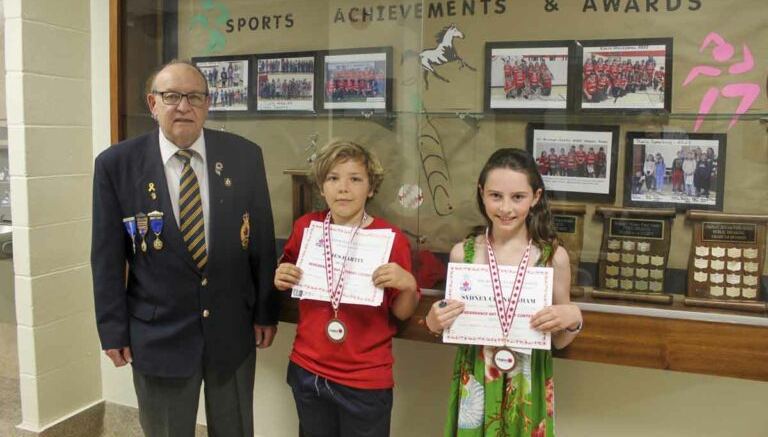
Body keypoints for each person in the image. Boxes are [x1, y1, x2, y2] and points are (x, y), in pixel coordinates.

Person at [91, 60, 278, 437]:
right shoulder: (117, 165)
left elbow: (260, 241)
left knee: (236, 428)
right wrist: (113, 331)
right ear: (153, 103)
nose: (184, 106)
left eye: (194, 96)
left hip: (231, 330)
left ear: (208, 103)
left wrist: (265, 311)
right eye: (172, 96)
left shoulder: (244, 157)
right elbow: (107, 257)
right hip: (159, 334)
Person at [425, 148, 582, 437]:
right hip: (476, 378)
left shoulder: (551, 258)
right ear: (481, 193)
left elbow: (559, 341)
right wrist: (435, 322)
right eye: (496, 196)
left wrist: (573, 316)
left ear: (535, 197)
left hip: (528, 381)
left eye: (517, 197)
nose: (505, 208)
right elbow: (450, 326)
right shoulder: (464, 255)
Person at [274, 141, 420, 437]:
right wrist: (280, 276)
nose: (344, 188)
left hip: (364, 378)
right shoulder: (306, 228)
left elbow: (402, 313)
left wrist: (408, 284)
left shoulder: (389, 238)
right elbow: (287, 277)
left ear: (371, 188)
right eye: (333, 178)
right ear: (321, 186)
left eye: (355, 179)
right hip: (308, 369)